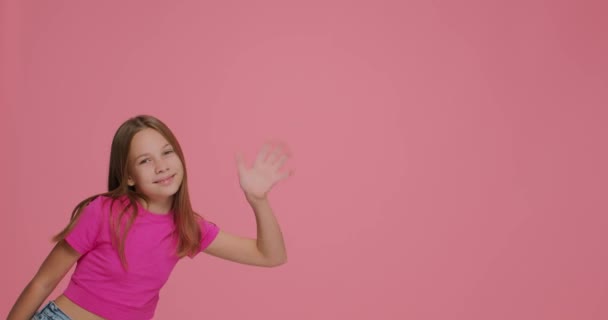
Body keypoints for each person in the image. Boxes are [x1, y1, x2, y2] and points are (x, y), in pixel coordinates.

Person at [8, 115, 293, 320]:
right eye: (145, 160)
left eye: (167, 153)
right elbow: (42, 282)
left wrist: (258, 200)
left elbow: (270, 256)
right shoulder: (102, 211)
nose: (161, 166)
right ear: (129, 176)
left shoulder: (187, 227)